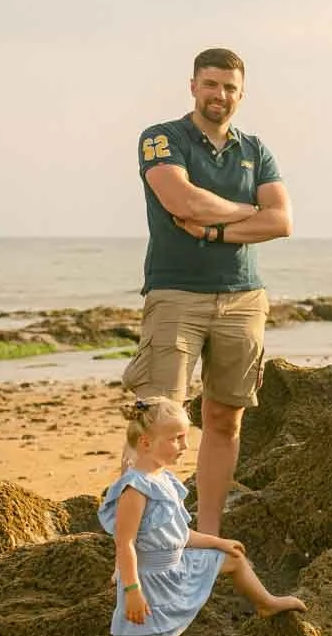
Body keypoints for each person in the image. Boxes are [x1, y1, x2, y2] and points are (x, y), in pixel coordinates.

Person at [124, 48, 294, 535]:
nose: (220, 95)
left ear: (241, 94)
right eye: (211, 84)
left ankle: (208, 533)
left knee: (225, 420)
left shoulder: (255, 150)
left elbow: (281, 221)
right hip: (176, 294)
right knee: (155, 418)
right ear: (194, 86)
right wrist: (247, 210)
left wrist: (214, 228)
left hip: (243, 298)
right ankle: (136, 541)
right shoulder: (162, 138)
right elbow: (180, 199)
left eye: (229, 87)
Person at [103, 397, 305, 636]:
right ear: (146, 443)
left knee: (231, 558)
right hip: (151, 585)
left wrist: (216, 541)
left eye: (184, 438)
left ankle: (266, 603)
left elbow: (181, 534)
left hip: (175, 568)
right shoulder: (135, 489)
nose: (183, 446)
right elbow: (125, 543)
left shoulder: (162, 480)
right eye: (176, 439)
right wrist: (131, 591)